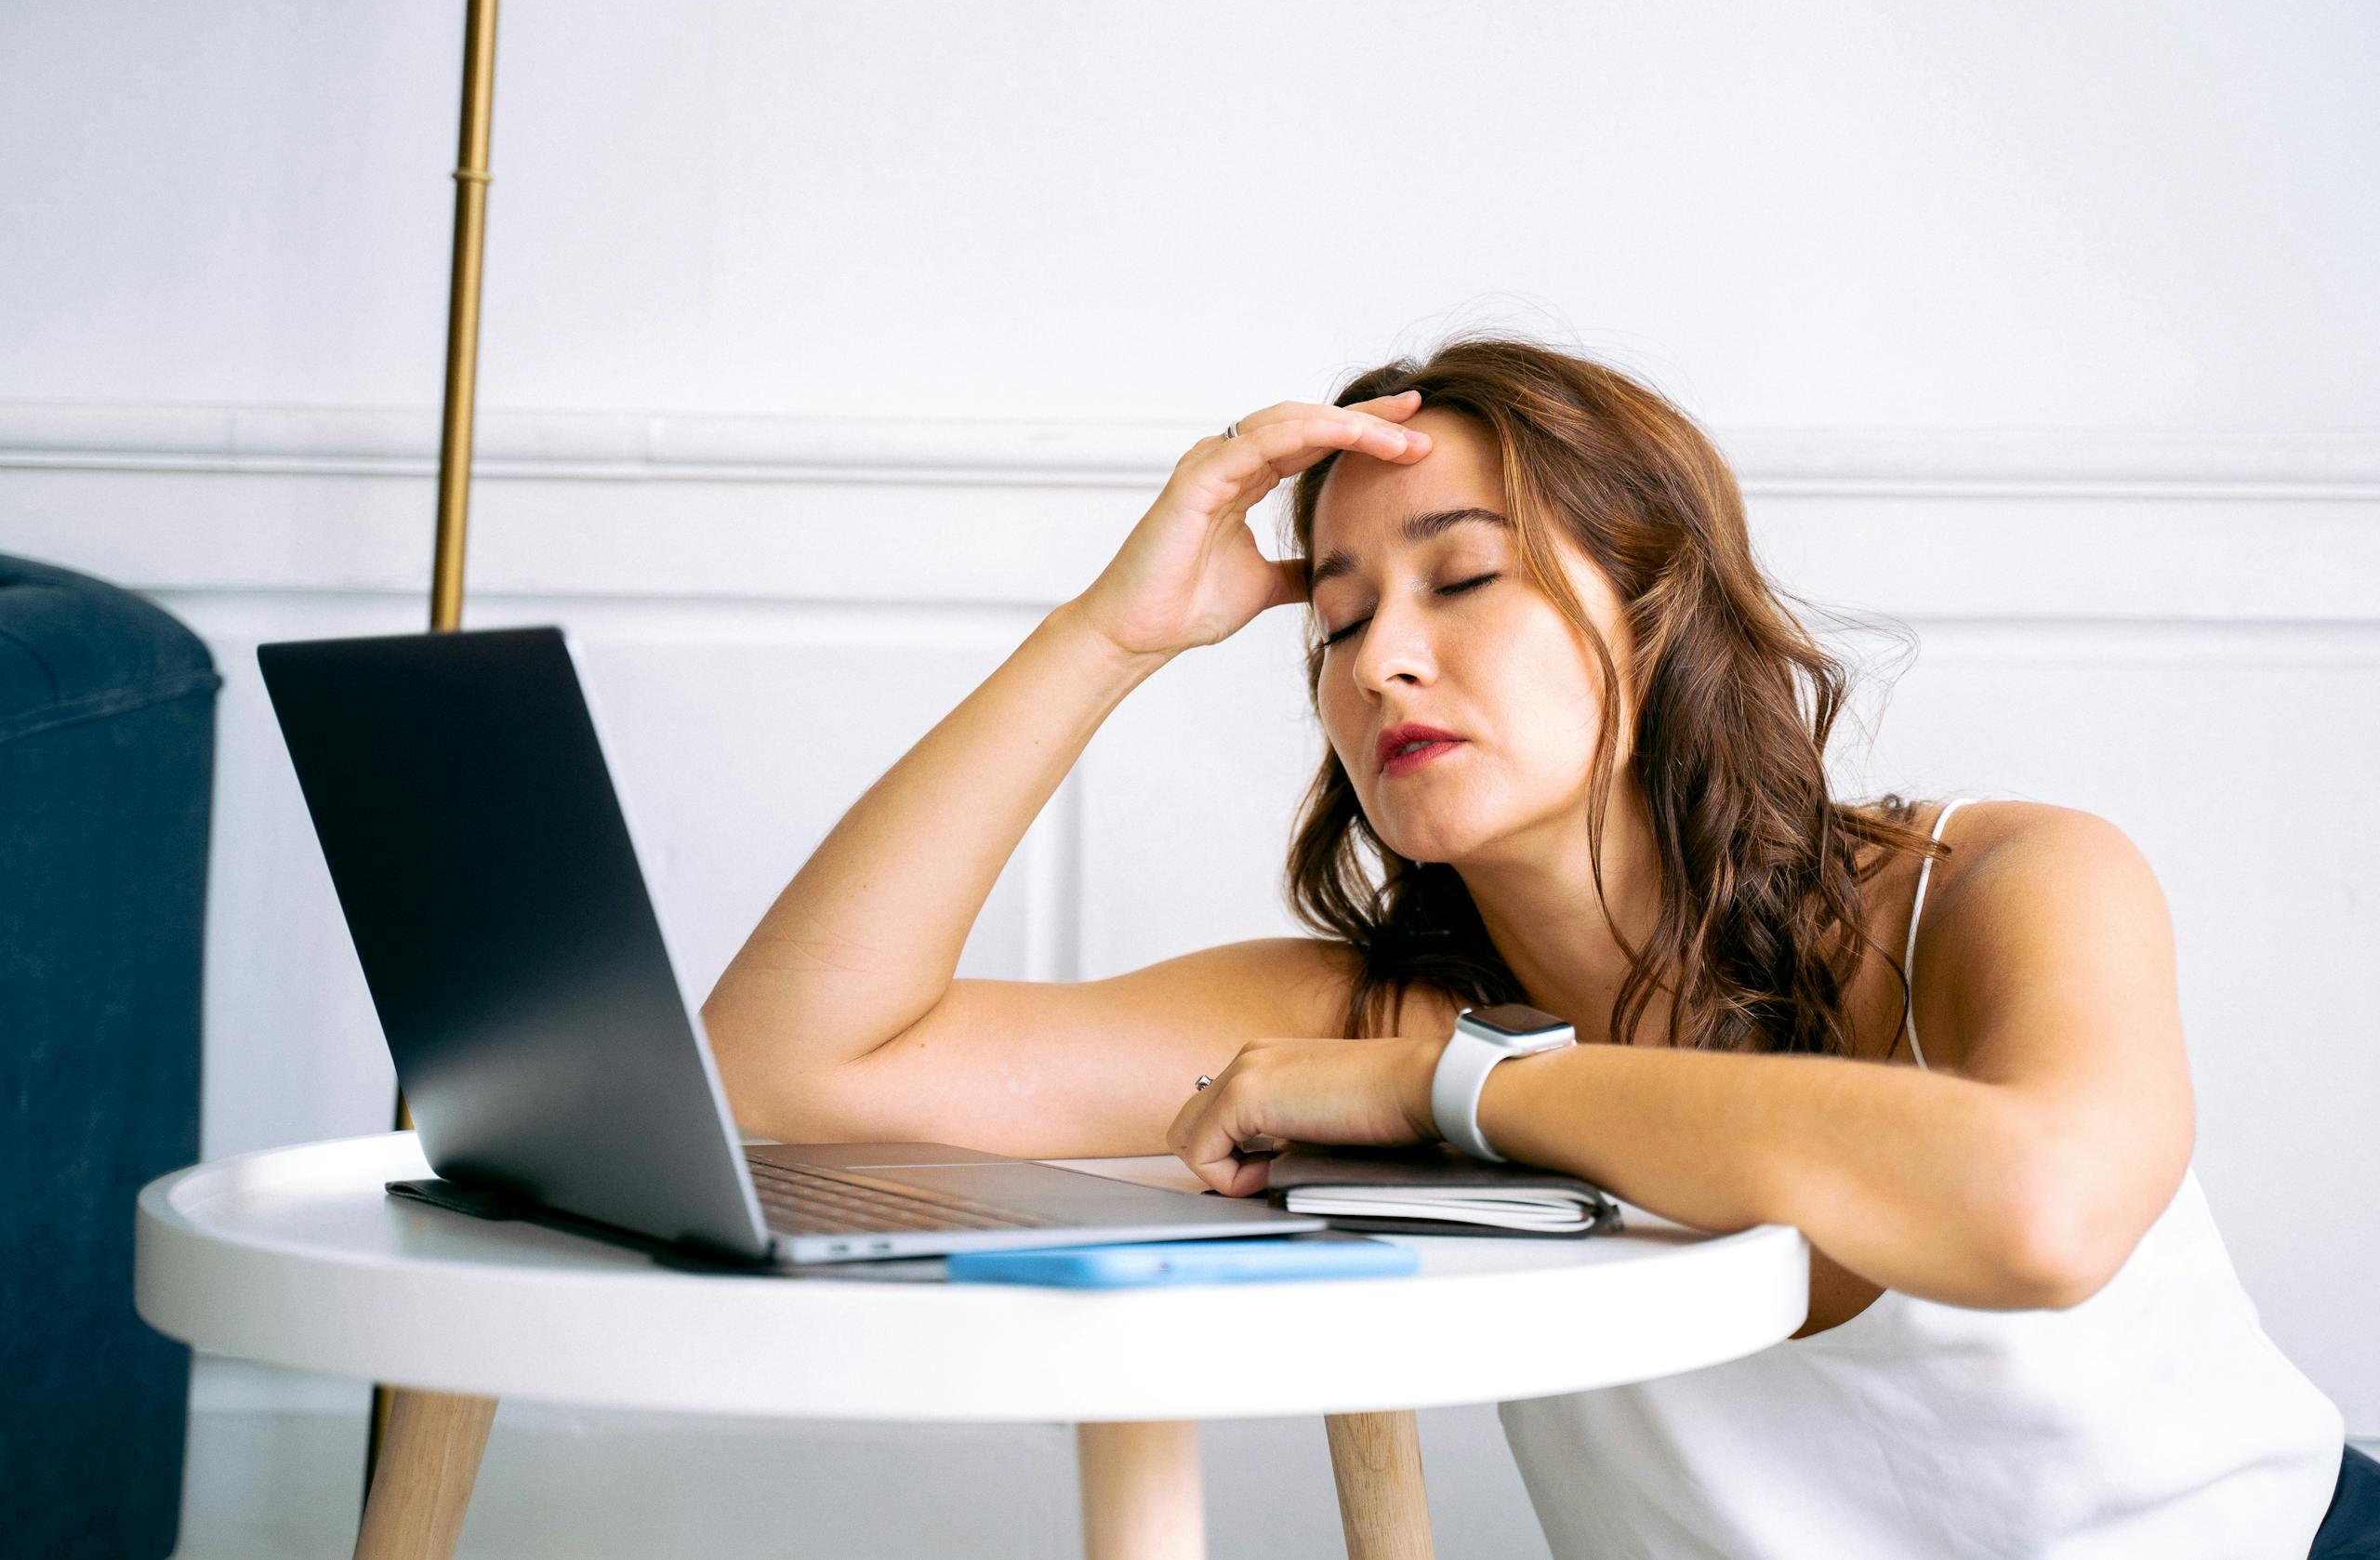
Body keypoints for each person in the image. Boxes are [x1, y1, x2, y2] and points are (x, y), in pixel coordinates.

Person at [701, 335, 2368, 1557]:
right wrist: (1107, 634)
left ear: (1653, 601)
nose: (1379, 664)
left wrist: (1463, 1094)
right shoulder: (1360, 1005)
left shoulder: (1987, 885)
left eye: (1463, 579)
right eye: (1338, 620)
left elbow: (2039, 1208)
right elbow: (779, 1072)